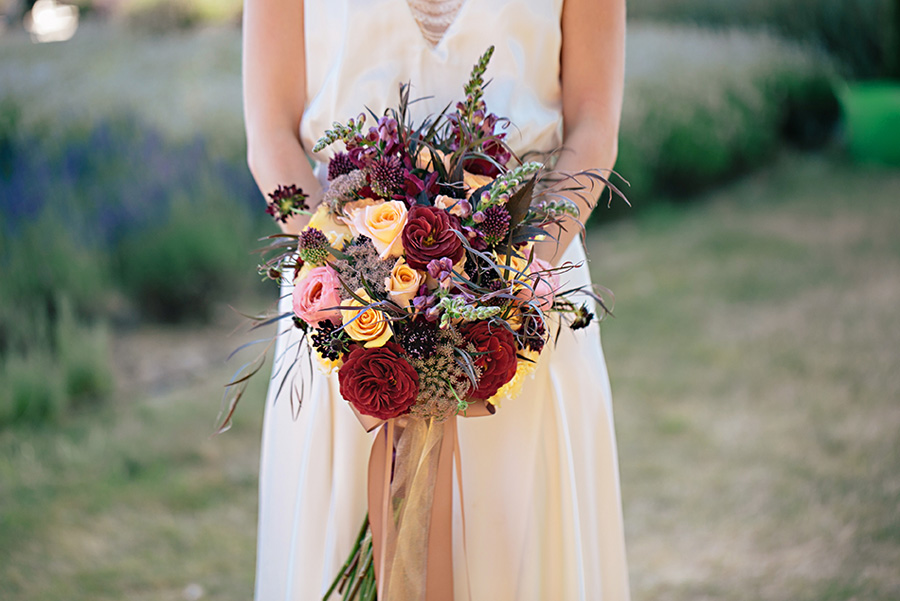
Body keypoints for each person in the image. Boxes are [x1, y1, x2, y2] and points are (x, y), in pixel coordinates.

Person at [243, 0, 629, 599]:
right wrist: (349, 271)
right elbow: (269, 134)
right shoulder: (345, 284)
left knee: (519, 549)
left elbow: (594, 127)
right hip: (342, 306)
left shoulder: (523, 281)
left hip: (526, 296)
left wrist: (515, 274)